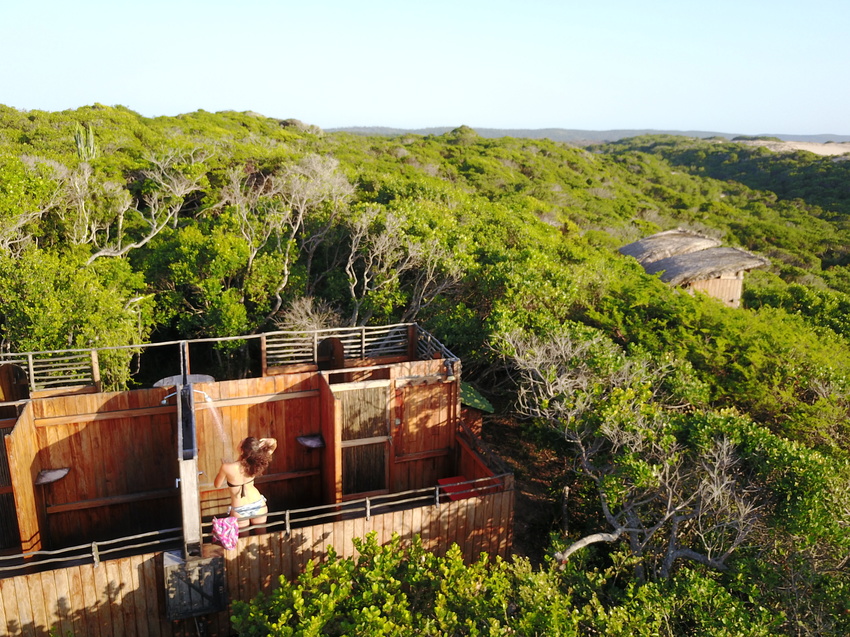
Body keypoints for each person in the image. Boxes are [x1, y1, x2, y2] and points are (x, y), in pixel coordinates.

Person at [214, 436, 277, 529]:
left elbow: (217, 485)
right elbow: (272, 446)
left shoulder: (226, 467)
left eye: (240, 442)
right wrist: (271, 440)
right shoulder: (257, 463)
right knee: (262, 535)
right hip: (258, 503)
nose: (239, 442)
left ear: (242, 451)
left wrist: (223, 470)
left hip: (239, 507)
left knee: (244, 539)